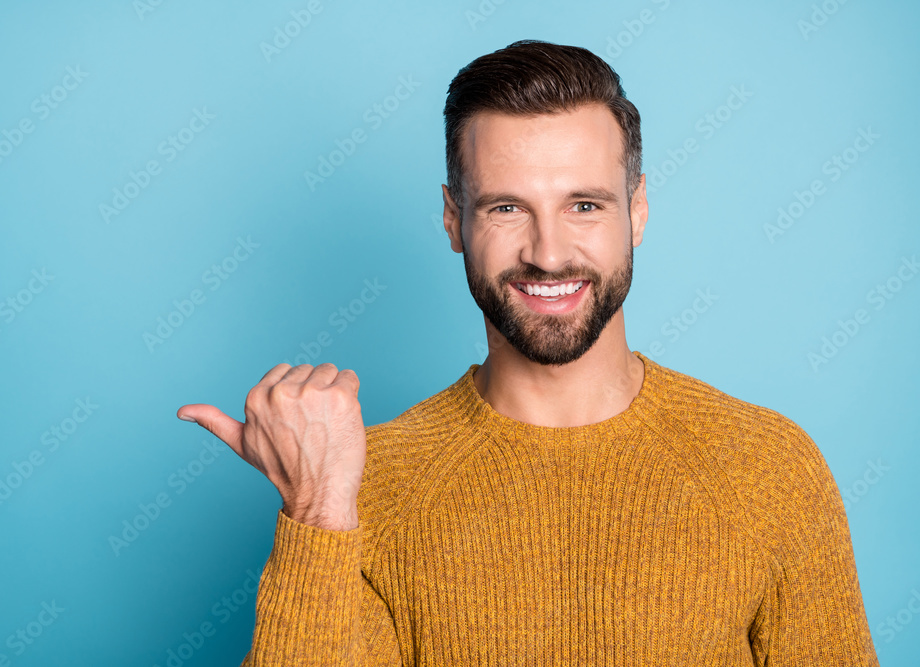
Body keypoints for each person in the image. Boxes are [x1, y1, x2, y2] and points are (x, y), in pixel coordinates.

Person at [178, 39, 880, 666]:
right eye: (506, 208)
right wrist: (319, 508)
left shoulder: (770, 468)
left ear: (637, 210)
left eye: (585, 205)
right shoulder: (368, 486)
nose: (548, 253)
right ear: (455, 218)